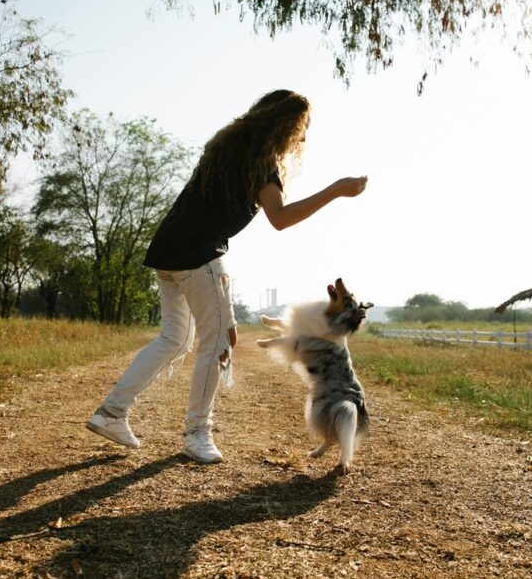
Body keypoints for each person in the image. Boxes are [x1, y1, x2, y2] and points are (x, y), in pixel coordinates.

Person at [86, 89, 368, 463]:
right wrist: (336, 191)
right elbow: (280, 219)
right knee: (217, 344)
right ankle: (196, 433)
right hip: (200, 255)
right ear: (285, 125)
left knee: (174, 339)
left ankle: (111, 413)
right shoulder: (262, 164)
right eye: (302, 129)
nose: (302, 138)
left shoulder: (227, 148)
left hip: (168, 250)